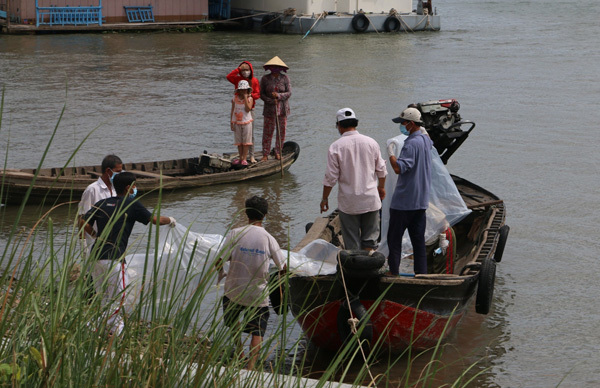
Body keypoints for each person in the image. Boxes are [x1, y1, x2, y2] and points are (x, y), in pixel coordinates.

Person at [82, 172, 176, 334]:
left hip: (96, 257)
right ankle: (93, 327)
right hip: (114, 259)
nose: (135, 188)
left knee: (105, 297)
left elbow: (82, 221)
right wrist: (171, 220)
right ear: (128, 188)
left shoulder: (103, 202)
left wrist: (95, 235)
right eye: (134, 185)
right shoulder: (131, 204)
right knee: (120, 299)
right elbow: (155, 220)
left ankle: (112, 333)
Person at [216, 196, 286, 370]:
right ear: (265, 215)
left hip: (234, 289)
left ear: (246, 213)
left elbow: (219, 260)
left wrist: (222, 272)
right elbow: (283, 266)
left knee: (232, 321)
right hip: (257, 293)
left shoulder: (235, 233)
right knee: (257, 330)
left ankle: (239, 353)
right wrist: (279, 281)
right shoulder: (268, 238)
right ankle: (251, 366)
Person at [320, 108, 387, 251]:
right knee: (370, 240)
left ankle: (356, 268)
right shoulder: (371, 142)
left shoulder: (336, 147)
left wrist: (324, 199)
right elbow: (382, 170)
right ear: (355, 123)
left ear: (339, 125)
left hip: (349, 202)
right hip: (370, 198)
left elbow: (330, 177)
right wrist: (381, 187)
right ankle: (368, 266)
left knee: (351, 241)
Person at [386, 107, 434, 275]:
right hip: (420, 202)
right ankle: (421, 274)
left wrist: (391, 152)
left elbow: (399, 168)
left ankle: (393, 273)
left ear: (412, 124)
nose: (402, 126)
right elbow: (428, 138)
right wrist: (423, 129)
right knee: (418, 242)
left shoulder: (411, 143)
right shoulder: (425, 141)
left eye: (404, 123)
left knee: (394, 241)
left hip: (403, 202)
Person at [78, 154, 123, 250]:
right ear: (108, 171)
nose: (120, 175)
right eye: (117, 172)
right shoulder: (92, 190)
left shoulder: (116, 189)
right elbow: (82, 219)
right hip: (94, 244)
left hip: (113, 243)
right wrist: (95, 238)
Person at [227, 61, 261, 163]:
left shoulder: (254, 81)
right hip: (238, 109)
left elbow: (258, 94)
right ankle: (242, 157)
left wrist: (249, 96)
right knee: (239, 137)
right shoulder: (237, 79)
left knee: (250, 135)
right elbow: (229, 76)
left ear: (251, 71)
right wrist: (238, 69)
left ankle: (251, 156)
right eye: (244, 70)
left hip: (250, 109)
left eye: (247, 70)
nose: (246, 72)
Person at [259, 56, 291, 161]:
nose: (275, 69)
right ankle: (265, 153)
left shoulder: (285, 78)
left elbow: (289, 93)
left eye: (277, 67)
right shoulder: (265, 79)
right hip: (269, 110)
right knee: (268, 132)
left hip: (282, 110)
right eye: (274, 67)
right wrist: (270, 100)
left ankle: (278, 152)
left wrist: (278, 96)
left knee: (281, 132)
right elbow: (261, 94)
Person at [230, 80, 254, 166]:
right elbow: (232, 110)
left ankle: (244, 158)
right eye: (242, 90)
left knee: (246, 142)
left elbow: (248, 109)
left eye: (245, 90)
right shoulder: (234, 99)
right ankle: (240, 157)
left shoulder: (250, 99)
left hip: (246, 122)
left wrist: (245, 98)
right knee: (239, 142)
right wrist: (231, 122)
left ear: (247, 90)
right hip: (237, 122)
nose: (243, 91)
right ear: (238, 90)